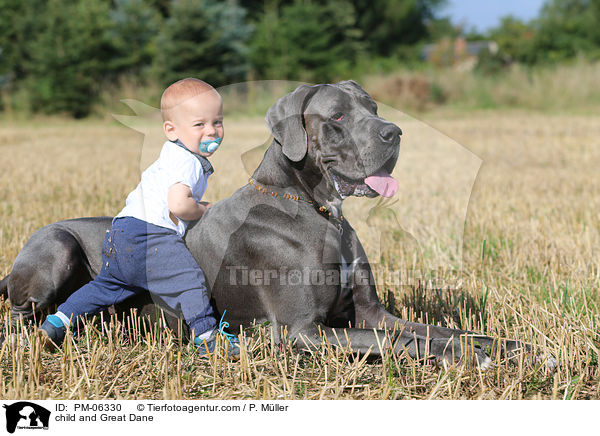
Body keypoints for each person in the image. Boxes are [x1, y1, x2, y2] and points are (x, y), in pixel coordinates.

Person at [39, 78, 239, 357]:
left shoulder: (170, 153)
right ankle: (207, 337)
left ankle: (57, 324)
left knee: (105, 286)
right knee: (190, 279)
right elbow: (180, 206)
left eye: (217, 122)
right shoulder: (190, 162)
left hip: (121, 231)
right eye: (199, 125)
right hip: (151, 236)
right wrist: (205, 209)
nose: (212, 131)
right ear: (171, 130)